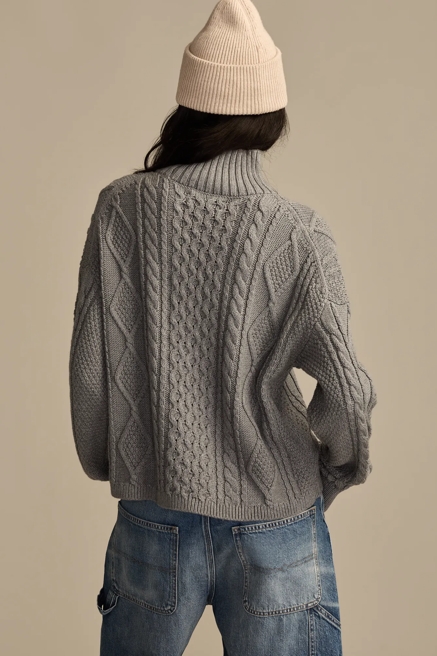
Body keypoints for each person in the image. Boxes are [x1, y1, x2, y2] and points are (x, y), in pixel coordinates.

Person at [68, 0, 377, 654]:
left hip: (153, 514)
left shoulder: (118, 209)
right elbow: (348, 392)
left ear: (190, 102)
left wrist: (126, 463)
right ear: (272, 114)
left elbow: (92, 377)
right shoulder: (297, 235)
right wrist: (334, 472)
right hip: (276, 518)